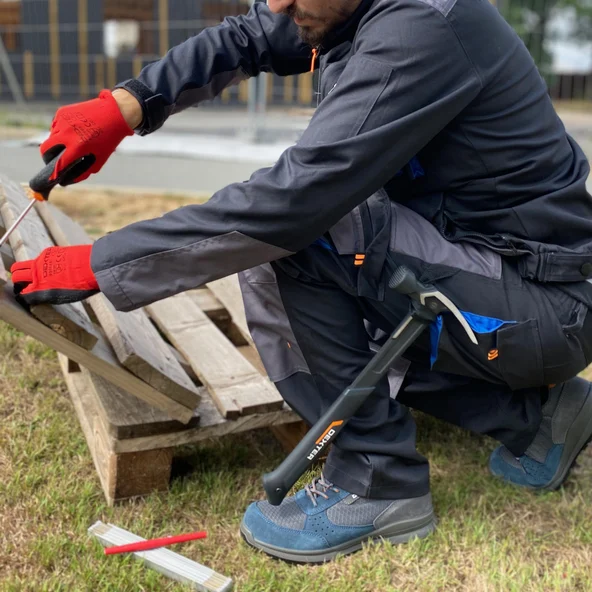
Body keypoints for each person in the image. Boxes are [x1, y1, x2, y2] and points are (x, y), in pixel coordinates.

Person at [11, 0, 592, 564]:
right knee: (314, 291)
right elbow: (246, 37)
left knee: (311, 233)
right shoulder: (342, 6)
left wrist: (103, 261)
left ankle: (377, 477)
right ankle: (531, 415)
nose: (280, 5)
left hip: (540, 303)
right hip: (498, 277)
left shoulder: (424, 26)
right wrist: (127, 104)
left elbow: (292, 202)